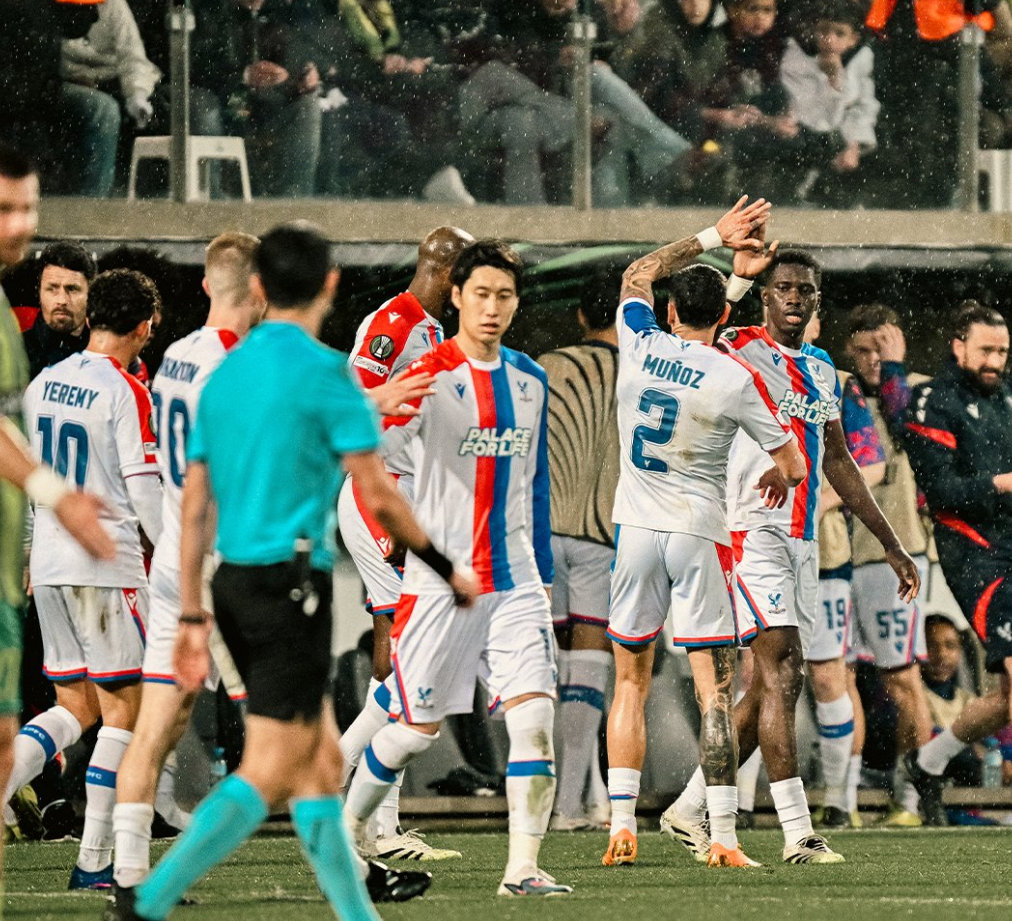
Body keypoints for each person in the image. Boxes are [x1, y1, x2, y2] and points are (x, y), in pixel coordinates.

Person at [108, 224, 475, 921]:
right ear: (331, 283)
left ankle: (357, 912)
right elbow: (380, 492)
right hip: (289, 588)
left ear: (258, 287)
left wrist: (191, 611)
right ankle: (146, 901)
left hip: (231, 582)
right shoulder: (325, 372)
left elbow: (193, 504)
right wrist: (444, 565)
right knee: (271, 770)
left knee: (321, 765)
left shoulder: (225, 371)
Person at [661, 247, 920, 865]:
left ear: (817, 301)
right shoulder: (737, 348)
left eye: (806, 290)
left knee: (766, 686)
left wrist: (890, 542)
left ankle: (688, 806)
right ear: (765, 296)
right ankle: (798, 833)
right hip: (750, 533)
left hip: (804, 542)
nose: (795, 298)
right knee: (785, 672)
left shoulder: (824, 369)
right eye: (784, 288)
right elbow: (690, 340)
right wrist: (734, 273)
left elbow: (839, 461)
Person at [343, 240, 571, 897]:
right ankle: (344, 832)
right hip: (441, 582)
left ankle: (522, 870)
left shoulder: (530, 379)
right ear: (457, 297)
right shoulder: (427, 375)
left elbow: (533, 482)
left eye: (504, 295)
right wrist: (400, 533)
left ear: (516, 302)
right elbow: (364, 451)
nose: (492, 307)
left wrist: (541, 570)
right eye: (481, 295)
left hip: (515, 578)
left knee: (533, 718)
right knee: (413, 730)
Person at [603, 199, 807, 869]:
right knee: (714, 692)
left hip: (635, 530)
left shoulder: (639, 342)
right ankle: (722, 836)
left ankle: (620, 824)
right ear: (725, 316)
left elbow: (638, 272)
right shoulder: (734, 376)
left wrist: (712, 236)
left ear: (670, 312)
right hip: (699, 532)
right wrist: (778, 475)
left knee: (628, 683)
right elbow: (793, 464)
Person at [109, 232, 263, 893]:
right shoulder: (238, 367)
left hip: (172, 560)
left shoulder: (177, 353)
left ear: (206, 285)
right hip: (219, 567)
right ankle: (357, 868)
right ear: (259, 289)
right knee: (294, 727)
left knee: (158, 725)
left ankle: (127, 873)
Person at [19, 269, 163, 890]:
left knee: (73, 706)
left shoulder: (44, 382)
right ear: (144, 328)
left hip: (51, 563)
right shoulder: (127, 390)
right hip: (106, 567)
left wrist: (31, 552)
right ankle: (95, 860)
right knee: (126, 711)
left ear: (91, 317)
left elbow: (28, 474)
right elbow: (144, 490)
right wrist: (176, 558)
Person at [336, 225, 473, 861]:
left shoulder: (433, 329)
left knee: (398, 659)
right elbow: (351, 404)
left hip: (403, 498)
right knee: (410, 655)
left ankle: (347, 795)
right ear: (448, 273)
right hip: (379, 496)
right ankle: (371, 819)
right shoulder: (394, 322)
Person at [0, 141, 114, 895]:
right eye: (4, 208)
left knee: (47, 710)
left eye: (28, 208)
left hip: (30, 558)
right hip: (50, 550)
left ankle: (65, 816)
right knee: (110, 700)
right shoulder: (29, 338)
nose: (19, 223)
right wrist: (59, 496)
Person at [901, 301, 1012, 824]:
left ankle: (927, 763)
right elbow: (939, 491)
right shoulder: (932, 400)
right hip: (976, 556)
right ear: (958, 346)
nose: (996, 361)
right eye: (986, 350)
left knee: (1007, 697)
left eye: (1003, 352)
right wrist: (1001, 485)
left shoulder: (1006, 397)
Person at [841, 304, 936, 825]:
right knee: (841, 677)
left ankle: (915, 797)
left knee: (902, 679)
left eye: (883, 347)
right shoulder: (838, 393)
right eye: (864, 350)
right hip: (840, 554)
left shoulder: (916, 392)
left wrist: (897, 370)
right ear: (848, 352)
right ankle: (843, 800)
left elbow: (913, 439)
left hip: (894, 555)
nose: (874, 359)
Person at [536, 269, 621, 832]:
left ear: (581, 316)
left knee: (552, 671)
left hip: (541, 533)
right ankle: (569, 804)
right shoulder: (641, 371)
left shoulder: (543, 367)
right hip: (604, 536)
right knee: (590, 673)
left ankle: (580, 798)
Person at [802, 310, 885, 830]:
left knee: (828, 672)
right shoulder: (747, 364)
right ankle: (734, 802)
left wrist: (820, 503)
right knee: (751, 674)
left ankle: (839, 801)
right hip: (756, 546)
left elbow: (871, 464)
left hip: (825, 553)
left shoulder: (835, 380)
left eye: (808, 303)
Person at [778, 0, 880, 204]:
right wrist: (832, 80)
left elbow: (863, 105)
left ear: (853, 39)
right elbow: (812, 114)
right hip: (805, 136)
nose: (830, 40)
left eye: (839, 34)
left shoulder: (861, 58)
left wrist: (853, 145)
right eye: (823, 31)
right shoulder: (796, 57)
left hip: (841, 137)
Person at [16, 240, 96, 378]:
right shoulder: (14, 352)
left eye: (72, 289)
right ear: (39, 292)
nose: (62, 300)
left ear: (91, 294)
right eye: (52, 288)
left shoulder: (103, 354)